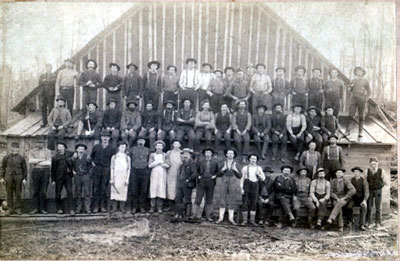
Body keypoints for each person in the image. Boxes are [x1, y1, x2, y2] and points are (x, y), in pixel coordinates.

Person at [91, 130, 116, 213]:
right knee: (96, 188)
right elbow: (91, 157)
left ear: (109, 138)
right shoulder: (96, 147)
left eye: (107, 137)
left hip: (106, 169)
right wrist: (93, 164)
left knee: (104, 188)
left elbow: (114, 160)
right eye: (103, 137)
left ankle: (102, 206)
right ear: (101, 138)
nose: (105, 138)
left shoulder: (112, 148)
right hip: (97, 169)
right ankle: (95, 206)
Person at [215, 148, 242, 225]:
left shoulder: (237, 164)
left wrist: (236, 170)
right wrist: (222, 170)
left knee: (232, 199)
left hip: (233, 182)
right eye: (229, 153)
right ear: (226, 154)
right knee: (222, 198)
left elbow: (240, 176)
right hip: (224, 181)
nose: (230, 155)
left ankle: (231, 218)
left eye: (232, 153)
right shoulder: (222, 163)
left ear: (234, 155)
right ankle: (221, 217)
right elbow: (218, 174)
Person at [0, 142, 27, 215]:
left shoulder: (21, 158)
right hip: (8, 176)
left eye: (16, 148)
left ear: (18, 149)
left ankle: (17, 208)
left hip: (18, 177)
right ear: (11, 148)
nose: (15, 149)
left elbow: (24, 169)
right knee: (9, 192)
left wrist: (24, 178)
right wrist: (2, 177)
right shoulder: (6, 157)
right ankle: (10, 208)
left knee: (18, 192)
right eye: (13, 147)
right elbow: (3, 167)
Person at [193, 148, 219, 222]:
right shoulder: (200, 161)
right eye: (206, 152)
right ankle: (195, 215)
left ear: (211, 154)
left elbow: (218, 171)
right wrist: (198, 176)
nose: (208, 154)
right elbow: (196, 170)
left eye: (209, 152)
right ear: (204, 154)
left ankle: (208, 216)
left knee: (209, 199)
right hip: (202, 180)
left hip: (210, 181)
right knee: (198, 198)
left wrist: (215, 176)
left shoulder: (215, 162)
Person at [345, 66, 371, 137]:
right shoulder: (353, 80)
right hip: (354, 99)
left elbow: (369, 91)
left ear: (363, 72)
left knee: (361, 116)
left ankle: (360, 131)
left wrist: (366, 99)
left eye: (360, 71)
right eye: (357, 71)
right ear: (355, 72)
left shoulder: (365, 81)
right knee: (351, 115)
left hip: (362, 99)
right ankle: (348, 131)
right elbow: (349, 90)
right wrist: (351, 87)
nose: (359, 72)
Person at [240, 154, 265, 226]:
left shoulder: (259, 168)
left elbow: (263, 178)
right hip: (247, 185)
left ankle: (252, 220)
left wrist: (259, 175)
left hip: (255, 186)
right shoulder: (245, 168)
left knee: (254, 203)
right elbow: (242, 179)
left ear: (256, 160)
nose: (253, 160)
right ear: (249, 159)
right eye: (252, 159)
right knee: (245, 203)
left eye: (255, 159)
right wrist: (241, 188)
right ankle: (244, 220)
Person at [173, 148, 197, 222]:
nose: (185, 156)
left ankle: (187, 215)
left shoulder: (192, 163)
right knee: (178, 198)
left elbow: (195, 173)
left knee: (187, 199)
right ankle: (179, 214)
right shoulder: (182, 163)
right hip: (181, 183)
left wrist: (188, 180)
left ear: (190, 155)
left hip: (187, 184)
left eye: (187, 154)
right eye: (184, 154)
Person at [51, 141, 74, 215]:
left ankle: (71, 209)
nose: (60, 148)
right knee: (58, 193)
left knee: (70, 192)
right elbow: (53, 170)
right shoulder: (55, 157)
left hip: (67, 176)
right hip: (59, 177)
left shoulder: (69, 154)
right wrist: (53, 180)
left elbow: (75, 154)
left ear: (64, 148)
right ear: (57, 148)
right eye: (59, 147)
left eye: (62, 147)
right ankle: (59, 208)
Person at [28, 140, 51, 214]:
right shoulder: (32, 151)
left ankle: (42, 208)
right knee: (35, 191)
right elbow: (30, 161)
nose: (39, 144)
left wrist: (36, 161)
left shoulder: (47, 151)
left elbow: (49, 162)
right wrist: (41, 160)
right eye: (38, 142)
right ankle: (35, 208)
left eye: (41, 143)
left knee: (43, 191)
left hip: (45, 172)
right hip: (36, 171)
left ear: (43, 144)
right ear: (36, 143)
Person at [129, 138, 150, 214]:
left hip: (144, 171)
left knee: (143, 190)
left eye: (143, 140)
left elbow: (149, 160)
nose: (141, 142)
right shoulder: (133, 149)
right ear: (137, 141)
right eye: (139, 140)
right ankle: (134, 207)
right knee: (134, 189)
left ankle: (141, 207)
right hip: (134, 170)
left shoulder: (148, 150)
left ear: (144, 142)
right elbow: (129, 158)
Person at [148, 140, 170, 213]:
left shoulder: (165, 155)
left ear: (163, 147)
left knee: (161, 189)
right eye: (158, 146)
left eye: (160, 146)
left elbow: (167, 165)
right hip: (154, 173)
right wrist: (157, 163)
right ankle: (152, 207)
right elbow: (149, 165)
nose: (159, 148)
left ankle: (159, 207)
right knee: (153, 189)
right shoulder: (152, 155)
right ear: (155, 147)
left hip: (162, 173)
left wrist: (162, 164)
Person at [344, 166, 369, 231]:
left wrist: (364, 200)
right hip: (353, 198)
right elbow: (347, 190)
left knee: (363, 207)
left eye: (357, 172)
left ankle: (362, 224)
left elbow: (366, 192)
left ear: (360, 173)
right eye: (355, 172)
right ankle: (351, 220)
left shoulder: (364, 181)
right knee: (348, 207)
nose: (356, 173)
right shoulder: (351, 180)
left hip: (361, 198)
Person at [366, 157, 388, 228]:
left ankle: (378, 222)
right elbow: (365, 182)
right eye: (372, 164)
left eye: (375, 164)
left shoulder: (382, 171)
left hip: (378, 190)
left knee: (378, 207)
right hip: (370, 190)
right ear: (369, 164)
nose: (373, 166)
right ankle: (369, 222)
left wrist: (381, 187)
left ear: (377, 164)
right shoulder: (366, 171)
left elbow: (385, 181)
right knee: (369, 207)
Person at [110, 141, 131, 213]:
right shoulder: (114, 157)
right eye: (121, 147)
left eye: (124, 147)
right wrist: (112, 178)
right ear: (118, 147)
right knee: (114, 192)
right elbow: (112, 168)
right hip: (116, 177)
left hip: (123, 177)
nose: (122, 148)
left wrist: (127, 179)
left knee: (123, 192)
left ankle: (122, 208)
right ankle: (114, 208)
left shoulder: (127, 157)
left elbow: (129, 169)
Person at [71, 144, 92, 214]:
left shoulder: (87, 157)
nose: (81, 150)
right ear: (77, 150)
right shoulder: (74, 157)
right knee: (78, 192)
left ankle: (87, 208)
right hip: (77, 176)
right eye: (79, 149)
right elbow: (69, 165)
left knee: (87, 192)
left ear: (84, 150)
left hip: (85, 176)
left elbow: (91, 166)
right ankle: (78, 208)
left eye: (82, 149)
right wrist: (73, 171)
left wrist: (88, 174)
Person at [165, 140, 182, 211]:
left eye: (177, 144)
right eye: (175, 144)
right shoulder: (169, 153)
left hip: (179, 173)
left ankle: (177, 206)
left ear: (180, 145)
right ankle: (170, 205)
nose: (176, 146)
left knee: (177, 189)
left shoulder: (182, 153)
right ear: (173, 145)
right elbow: (166, 160)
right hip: (170, 173)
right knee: (170, 189)